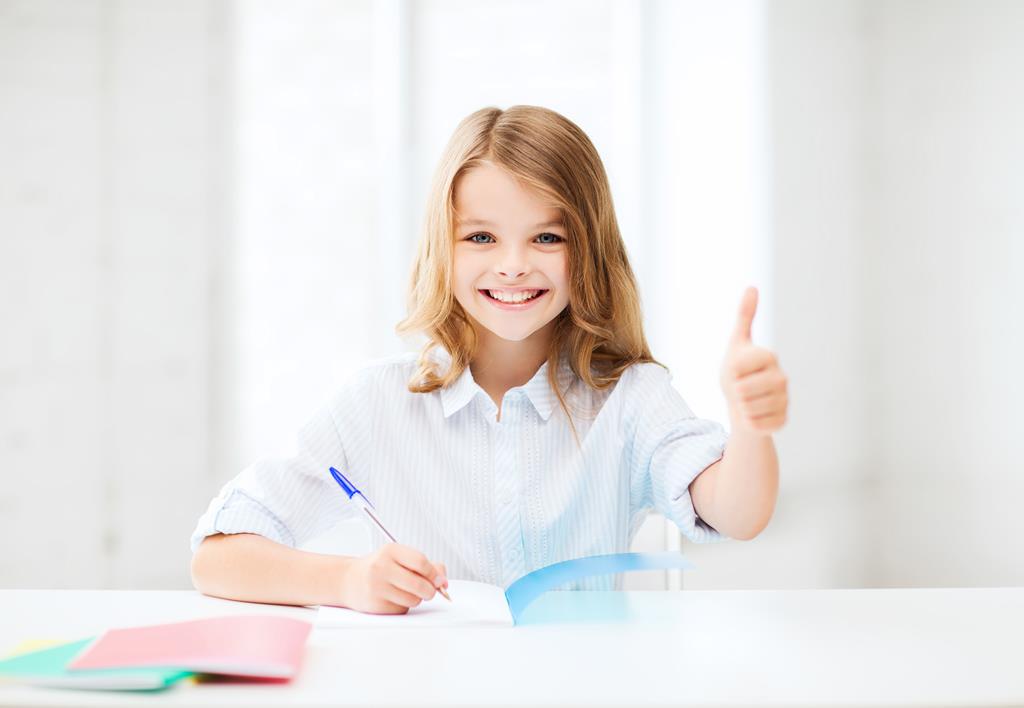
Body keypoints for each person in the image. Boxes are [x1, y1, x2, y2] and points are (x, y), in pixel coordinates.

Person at [190, 105, 787, 614]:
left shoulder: (630, 396)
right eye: (481, 238)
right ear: (441, 248)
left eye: (548, 238)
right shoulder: (375, 402)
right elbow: (217, 560)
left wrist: (751, 430)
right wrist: (347, 580)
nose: (512, 265)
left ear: (591, 251)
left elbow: (739, 514)